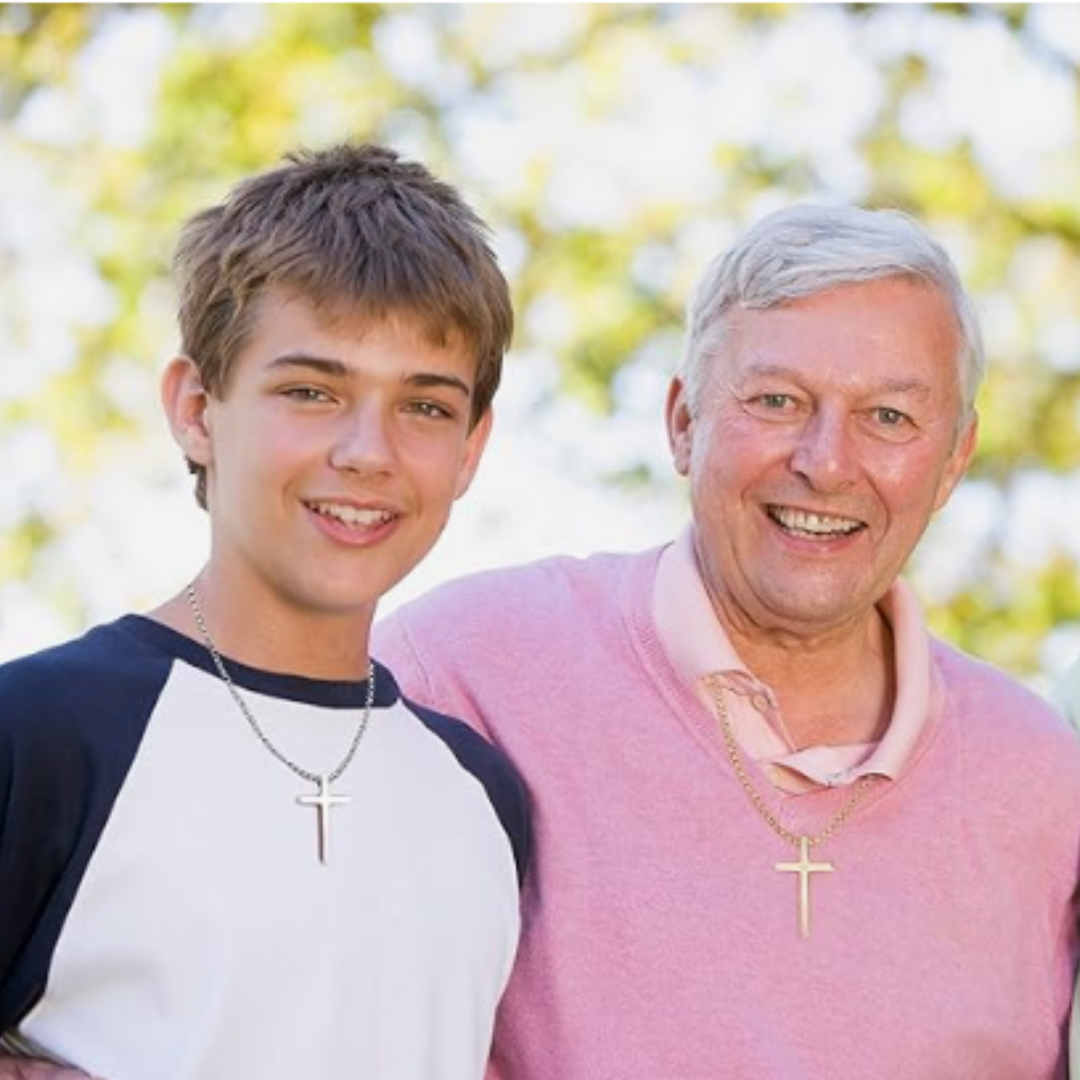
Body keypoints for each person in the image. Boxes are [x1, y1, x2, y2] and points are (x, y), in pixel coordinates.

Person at [374, 204, 1080, 1079]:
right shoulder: (459, 671)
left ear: (954, 460)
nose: (826, 462)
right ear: (682, 422)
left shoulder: (1046, 782)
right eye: (777, 401)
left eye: (890, 417)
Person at [0, 142, 529, 1080]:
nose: (368, 452)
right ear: (198, 408)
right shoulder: (40, 734)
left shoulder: (483, 793)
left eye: (425, 406)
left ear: (472, 447)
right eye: (311, 392)